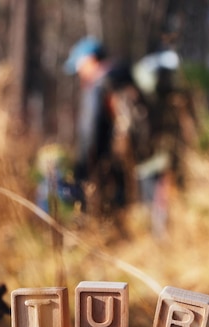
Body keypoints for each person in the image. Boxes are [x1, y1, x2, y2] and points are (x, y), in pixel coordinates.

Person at [64, 37, 146, 218]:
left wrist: (83, 167)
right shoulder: (124, 77)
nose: (79, 74)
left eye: (79, 67)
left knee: (111, 205)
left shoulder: (97, 86)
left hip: (108, 161)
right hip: (136, 157)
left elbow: (90, 132)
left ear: (90, 60)